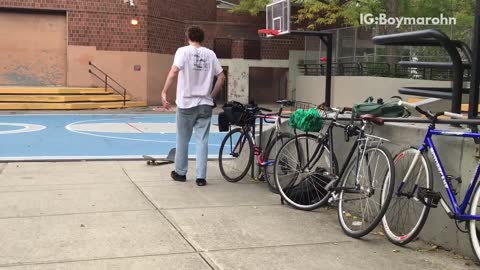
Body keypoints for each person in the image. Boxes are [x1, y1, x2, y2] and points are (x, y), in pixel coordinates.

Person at [161, 25, 225, 186]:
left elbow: (174, 71)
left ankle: (181, 172)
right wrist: (212, 96)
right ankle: (201, 177)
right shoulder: (210, 54)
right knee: (202, 140)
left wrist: (164, 91)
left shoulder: (182, 51)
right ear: (202, 38)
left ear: (188, 36)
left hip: (186, 102)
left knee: (182, 139)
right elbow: (221, 77)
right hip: (204, 103)